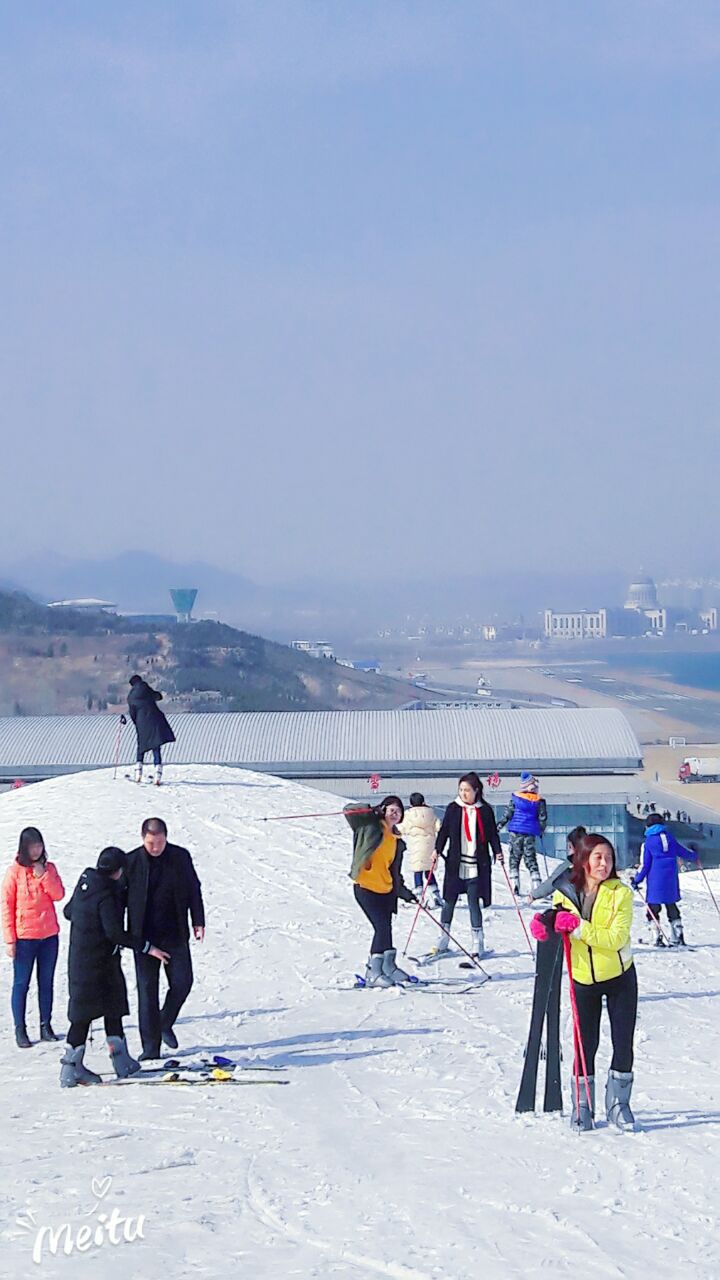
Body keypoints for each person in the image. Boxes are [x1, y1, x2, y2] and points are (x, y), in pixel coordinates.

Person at [531, 833, 637, 1132]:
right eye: (597, 857)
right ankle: (583, 1103)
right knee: (584, 1043)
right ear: (584, 860)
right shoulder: (566, 890)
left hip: (619, 978)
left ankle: (619, 1103)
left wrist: (578, 928)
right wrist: (545, 925)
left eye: (609, 858)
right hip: (583, 978)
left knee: (622, 1042)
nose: (604, 863)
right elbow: (558, 918)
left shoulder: (620, 893)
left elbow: (616, 939)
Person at [60, 848, 170, 1087]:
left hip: (86, 961)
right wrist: (147, 947)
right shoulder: (106, 895)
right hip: (95, 964)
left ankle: (121, 1061)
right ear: (118, 871)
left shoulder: (86, 881)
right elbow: (115, 933)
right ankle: (71, 1069)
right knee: (82, 1017)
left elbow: (68, 912)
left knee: (112, 1007)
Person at [125, 818, 205, 1059]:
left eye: (160, 842)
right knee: (147, 993)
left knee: (183, 982)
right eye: (151, 843)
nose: (156, 848)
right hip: (144, 939)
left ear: (166, 837)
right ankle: (150, 1048)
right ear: (142, 839)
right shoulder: (131, 862)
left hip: (174, 933)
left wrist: (198, 920)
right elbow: (117, 899)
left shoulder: (180, 857)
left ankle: (164, 1021)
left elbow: (194, 889)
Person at [2, 827, 65, 1048]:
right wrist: (10, 940)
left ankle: (45, 1025)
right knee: (21, 983)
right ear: (24, 847)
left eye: (39, 845)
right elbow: (6, 906)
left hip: (48, 936)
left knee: (46, 982)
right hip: (24, 937)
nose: (36, 850)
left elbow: (59, 895)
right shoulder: (14, 872)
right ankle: (20, 1029)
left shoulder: (49, 868)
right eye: (32, 846)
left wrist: (44, 876)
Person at [345, 796, 417, 987]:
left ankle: (389, 967)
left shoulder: (397, 840)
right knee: (381, 927)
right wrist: (370, 809)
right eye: (391, 809)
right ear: (384, 810)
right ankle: (373, 972)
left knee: (387, 928)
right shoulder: (371, 827)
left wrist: (405, 893)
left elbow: (395, 871)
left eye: (398, 811)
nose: (395, 813)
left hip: (386, 889)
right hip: (365, 887)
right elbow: (350, 812)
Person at [433, 772, 503, 960]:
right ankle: (443, 937)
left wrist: (498, 851)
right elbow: (444, 832)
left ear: (476, 791)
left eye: (467, 790)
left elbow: (492, 835)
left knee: (474, 902)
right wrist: (437, 851)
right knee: (449, 901)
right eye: (461, 790)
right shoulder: (453, 808)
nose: (464, 794)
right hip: (456, 864)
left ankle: (477, 940)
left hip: (476, 865)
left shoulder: (485, 810)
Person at [632, 813, 692, 946]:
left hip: (655, 881)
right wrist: (694, 857)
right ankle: (678, 936)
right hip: (671, 879)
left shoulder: (648, 842)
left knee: (653, 908)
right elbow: (683, 852)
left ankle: (656, 937)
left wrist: (637, 880)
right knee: (671, 905)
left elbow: (645, 865)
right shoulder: (670, 838)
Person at [497, 771, 547, 895]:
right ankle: (536, 884)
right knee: (530, 858)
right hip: (530, 832)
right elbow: (542, 817)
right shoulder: (539, 801)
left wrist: (498, 826)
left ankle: (515, 883)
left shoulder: (515, 799)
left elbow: (507, 814)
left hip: (515, 831)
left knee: (514, 857)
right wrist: (541, 830)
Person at [127, 674, 176, 785]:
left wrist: (137, 723)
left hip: (141, 722)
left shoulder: (130, 697)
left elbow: (132, 713)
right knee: (156, 745)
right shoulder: (146, 689)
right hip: (154, 719)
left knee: (141, 746)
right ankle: (157, 774)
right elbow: (158, 696)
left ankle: (138, 772)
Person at [398, 793, 442, 909]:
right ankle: (436, 896)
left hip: (416, 847)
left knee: (418, 870)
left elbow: (402, 829)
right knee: (429, 871)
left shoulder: (409, 814)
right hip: (430, 847)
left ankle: (418, 897)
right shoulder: (430, 813)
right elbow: (438, 826)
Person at [529, 825, 587, 902]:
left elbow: (552, 882)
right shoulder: (595, 861)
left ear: (571, 846)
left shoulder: (570, 865)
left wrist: (534, 895)